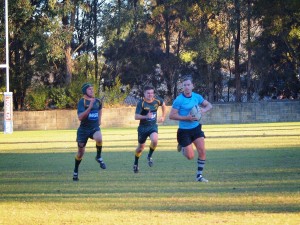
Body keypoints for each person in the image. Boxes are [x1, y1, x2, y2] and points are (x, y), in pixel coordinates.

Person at [169, 76, 212, 182]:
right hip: (184, 131)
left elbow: (209, 105)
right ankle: (183, 146)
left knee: (202, 150)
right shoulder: (179, 100)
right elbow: (171, 116)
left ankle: (199, 176)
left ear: (192, 86)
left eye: (189, 85)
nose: (187, 87)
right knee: (190, 156)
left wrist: (204, 110)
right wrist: (186, 118)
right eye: (185, 85)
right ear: (182, 87)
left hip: (196, 128)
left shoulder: (197, 97)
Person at [72, 83, 106, 181]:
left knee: (99, 138)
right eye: (89, 89)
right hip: (83, 130)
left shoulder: (97, 101)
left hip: (94, 127)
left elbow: (100, 108)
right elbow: (80, 117)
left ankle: (98, 157)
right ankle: (75, 171)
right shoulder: (82, 102)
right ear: (85, 91)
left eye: (92, 89)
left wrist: (99, 120)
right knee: (80, 153)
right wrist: (90, 107)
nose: (92, 90)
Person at [133, 85, 167, 173]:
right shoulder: (141, 103)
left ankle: (149, 156)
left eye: (151, 93)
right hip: (143, 128)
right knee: (140, 148)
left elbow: (163, 105)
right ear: (144, 94)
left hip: (152, 126)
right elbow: (136, 117)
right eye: (148, 93)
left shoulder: (157, 100)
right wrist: (145, 116)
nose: (150, 95)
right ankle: (136, 163)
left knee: (155, 140)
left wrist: (163, 116)